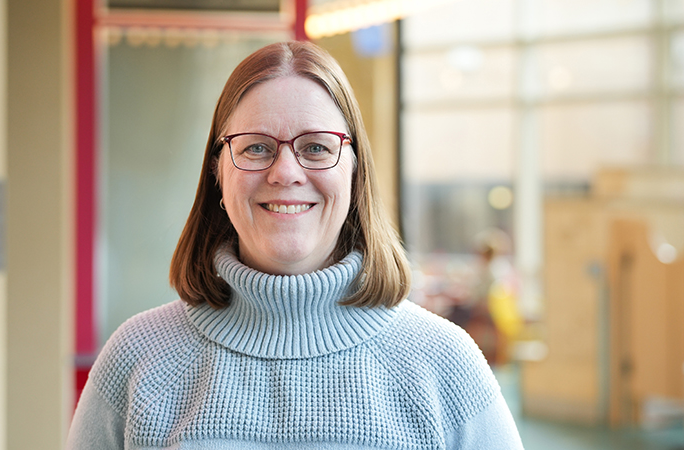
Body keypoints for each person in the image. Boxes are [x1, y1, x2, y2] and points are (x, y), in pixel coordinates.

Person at [67, 41, 523, 449]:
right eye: (256, 148)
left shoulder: (445, 365)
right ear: (217, 173)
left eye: (317, 147)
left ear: (354, 172)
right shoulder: (136, 359)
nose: (285, 172)